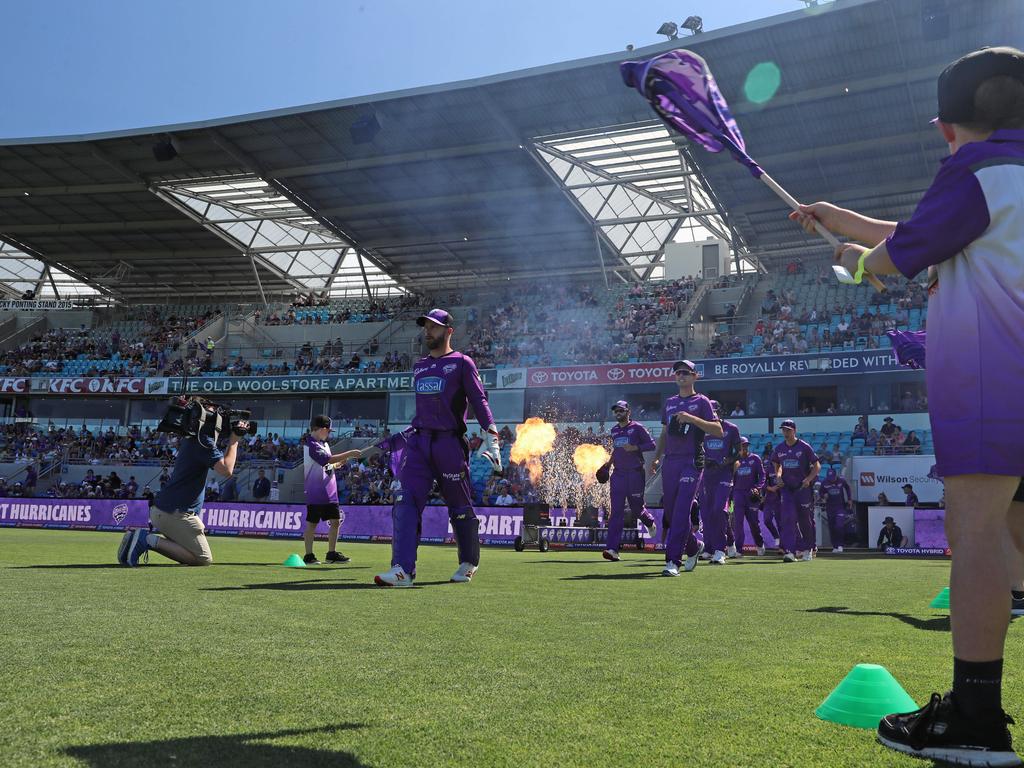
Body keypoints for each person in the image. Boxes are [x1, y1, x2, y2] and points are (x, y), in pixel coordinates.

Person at [790, 45, 1024, 762]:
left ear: (946, 127)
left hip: (995, 371)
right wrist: (843, 221)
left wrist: (855, 264)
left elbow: (904, 255)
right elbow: (936, 234)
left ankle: (975, 719)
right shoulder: (1005, 178)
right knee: (1014, 528)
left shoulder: (975, 171)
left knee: (977, 529)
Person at [374, 309, 501, 587]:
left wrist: (492, 435)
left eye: (434, 327)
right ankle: (402, 570)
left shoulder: (462, 363)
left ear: (449, 331)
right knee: (404, 501)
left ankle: (468, 561)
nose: (428, 331)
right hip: (419, 444)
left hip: (449, 444)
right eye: (426, 327)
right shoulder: (419, 366)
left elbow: (479, 401)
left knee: (459, 507)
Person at [118, 399, 246, 566]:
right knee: (203, 558)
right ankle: (146, 539)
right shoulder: (203, 441)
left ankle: (135, 540)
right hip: (176, 514)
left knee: (187, 551)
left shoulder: (193, 438)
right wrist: (234, 440)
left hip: (164, 511)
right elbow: (226, 470)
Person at [649, 360, 722, 576]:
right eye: (678, 373)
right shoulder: (669, 402)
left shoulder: (702, 402)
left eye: (686, 373)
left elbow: (718, 430)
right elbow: (664, 434)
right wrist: (656, 458)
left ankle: (672, 561)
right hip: (670, 461)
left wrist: (692, 418)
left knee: (681, 510)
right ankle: (693, 547)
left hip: (692, 461)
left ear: (695, 376)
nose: (681, 376)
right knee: (671, 514)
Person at [599, 400, 658, 561]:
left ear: (628, 412)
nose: (618, 413)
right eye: (616, 411)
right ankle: (612, 549)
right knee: (616, 512)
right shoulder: (614, 430)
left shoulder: (637, 428)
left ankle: (649, 521)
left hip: (635, 473)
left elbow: (651, 445)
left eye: (621, 411)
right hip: (618, 475)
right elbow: (616, 450)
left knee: (637, 508)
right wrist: (608, 464)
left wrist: (635, 448)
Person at [302, 415, 362, 565]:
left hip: (330, 491)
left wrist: (336, 465)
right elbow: (326, 460)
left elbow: (325, 465)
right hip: (316, 491)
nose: (329, 433)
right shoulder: (311, 444)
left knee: (335, 521)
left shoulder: (324, 444)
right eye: (328, 430)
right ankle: (309, 555)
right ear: (322, 429)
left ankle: (331, 553)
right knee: (312, 523)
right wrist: (349, 453)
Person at [769, 420, 820, 562]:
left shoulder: (804, 447)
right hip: (787, 489)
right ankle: (790, 552)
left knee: (805, 521)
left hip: (802, 488)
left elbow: (817, 465)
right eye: (784, 430)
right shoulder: (779, 448)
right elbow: (777, 464)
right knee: (788, 519)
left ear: (794, 431)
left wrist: (808, 479)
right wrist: (778, 476)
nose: (786, 433)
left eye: (788, 430)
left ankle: (808, 549)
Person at [698, 400, 742, 564]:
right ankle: (709, 548)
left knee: (719, 509)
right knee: (707, 513)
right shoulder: (702, 428)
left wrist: (726, 461)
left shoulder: (731, 429)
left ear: (720, 412)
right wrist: (704, 460)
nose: (711, 415)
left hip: (724, 475)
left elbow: (738, 453)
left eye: (714, 411)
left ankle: (720, 549)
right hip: (706, 475)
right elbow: (697, 449)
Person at [731, 437, 767, 556]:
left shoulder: (755, 459)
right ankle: (739, 549)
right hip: (738, 494)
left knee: (753, 523)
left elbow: (762, 475)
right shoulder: (735, 460)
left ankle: (759, 544)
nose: (745, 447)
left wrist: (758, 487)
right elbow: (731, 478)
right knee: (738, 523)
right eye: (742, 445)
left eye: (746, 445)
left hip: (751, 495)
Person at [819, 468, 853, 553]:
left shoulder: (841, 481)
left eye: (832, 478)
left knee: (839, 525)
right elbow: (820, 493)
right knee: (832, 527)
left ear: (836, 475)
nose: (831, 480)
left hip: (840, 507)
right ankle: (835, 546)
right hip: (829, 508)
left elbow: (848, 488)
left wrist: (849, 499)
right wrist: (824, 496)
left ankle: (840, 545)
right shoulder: (824, 482)